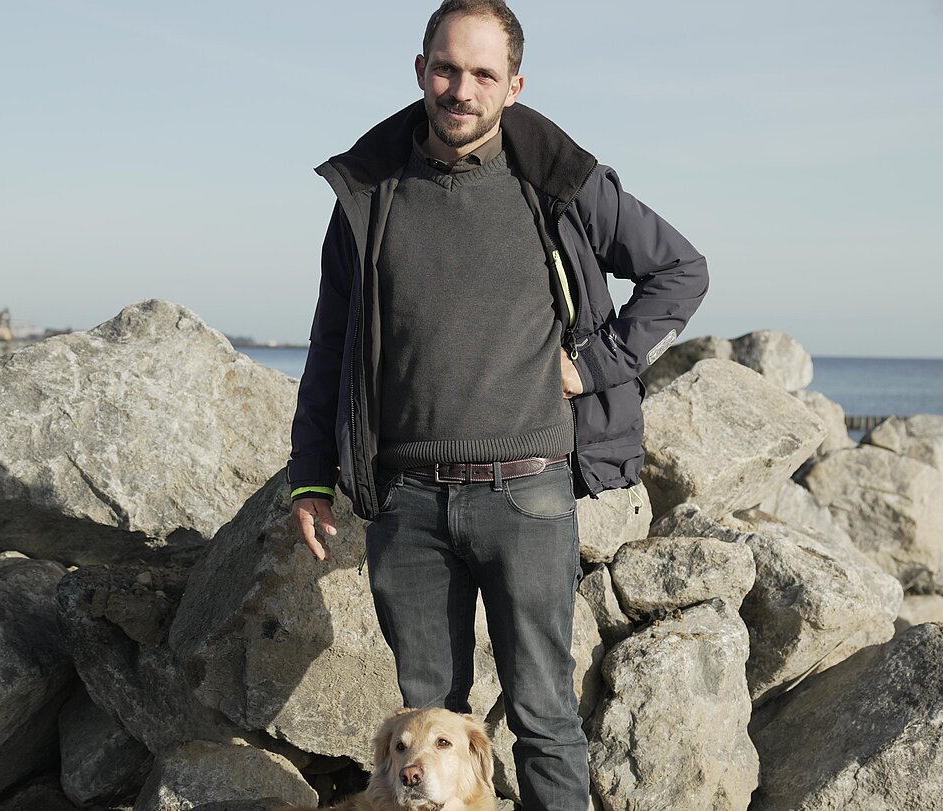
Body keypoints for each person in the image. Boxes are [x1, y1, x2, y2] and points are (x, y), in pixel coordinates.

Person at [282, 1, 708, 807]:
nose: (461, 88)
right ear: (420, 71)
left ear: (515, 84)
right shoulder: (369, 194)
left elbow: (681, 270)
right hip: (406, 502)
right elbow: (330, 343)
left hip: (528, 491)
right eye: (447, 68)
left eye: (483, 73)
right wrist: (310, 475)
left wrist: (597, 362)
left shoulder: (561, 183)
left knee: (545, 714)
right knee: (428, 731)